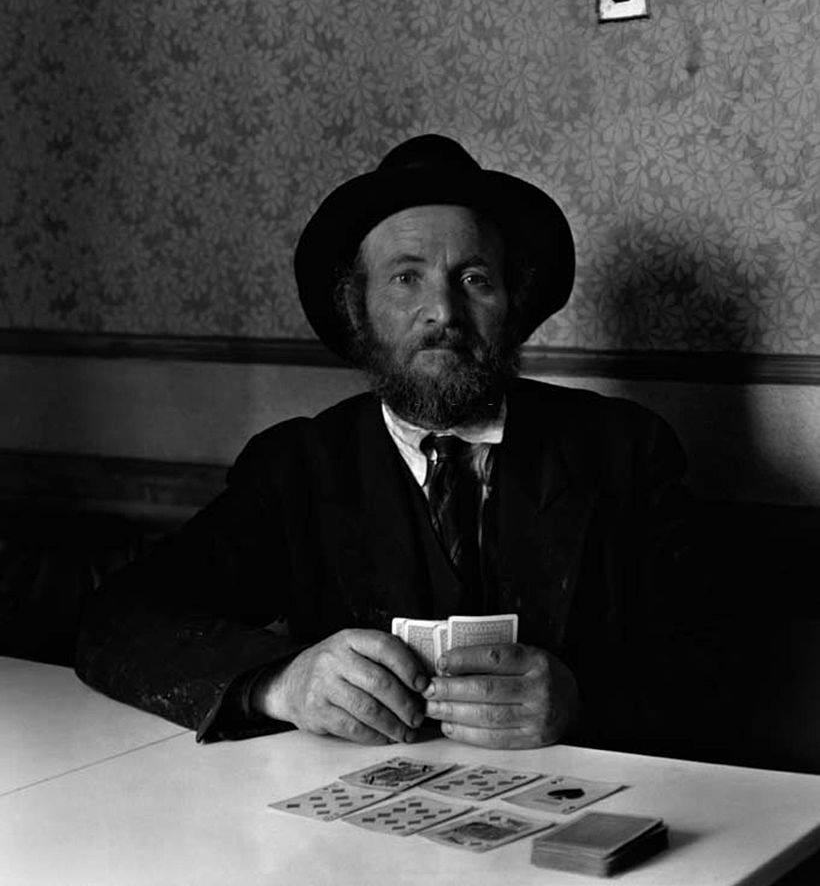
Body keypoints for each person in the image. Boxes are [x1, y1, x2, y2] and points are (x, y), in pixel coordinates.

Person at [75, 135, 689, 752]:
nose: (441, 312)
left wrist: (585, 701)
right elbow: (115, 621)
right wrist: (283, 684)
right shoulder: (297, 468)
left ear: (512, 302)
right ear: (358, 308)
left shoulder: (626, 452)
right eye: (405, 278)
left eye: (473, 278)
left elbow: (720, 665)